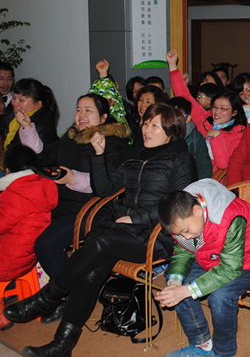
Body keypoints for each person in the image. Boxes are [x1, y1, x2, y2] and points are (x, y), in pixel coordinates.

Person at [3, 103, 197, 356]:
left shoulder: (180, 158)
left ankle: (48, 296)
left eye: (154, 126)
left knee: (101, 240)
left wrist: (136, 217)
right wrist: (98, 155)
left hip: (157, 234)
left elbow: (179, 204)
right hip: (123, 230)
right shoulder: (135, 153)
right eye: (145, 123)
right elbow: (105, 189)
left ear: (171, 132)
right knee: (92, 270)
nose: (146, 129)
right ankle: (62, 344)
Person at [19, 94, 130, 324]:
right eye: (78, 109)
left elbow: (107, 185)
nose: (81, 115)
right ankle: (73, 293)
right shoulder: (70, 138)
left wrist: (73, 178)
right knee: (27, 233)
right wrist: (28, 128)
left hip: (91, 209)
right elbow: (42, 157)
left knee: (45, 243)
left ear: (103, 117)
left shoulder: (111, 142)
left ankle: (68, 296)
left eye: (88, 110)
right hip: (61, 205)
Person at [156, 178, 250, 357]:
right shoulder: (183, 217)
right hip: (216, 255)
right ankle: (202, 344)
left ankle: (224, 352)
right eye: (179, 234)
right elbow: (184, 251)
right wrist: (175, 282)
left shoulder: (230, 217)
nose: (185, 236)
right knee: (179, 283)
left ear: (197, 210)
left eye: (185, 231)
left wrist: (186, 291)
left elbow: (229, 268)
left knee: (221, 296)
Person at [0, 145, 58, 330]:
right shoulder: (45, 184)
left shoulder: (14, 193)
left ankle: (2, 316)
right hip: (33, 254)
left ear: (7, 170)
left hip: (11, 260)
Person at [168, 49, 247, 171]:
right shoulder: (205, 119)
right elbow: (184, 96)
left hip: (216, 178)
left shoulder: (238, 134)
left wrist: (216, 137)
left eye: (223, 108)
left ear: (234, 112)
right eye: (215, 107)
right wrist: (172, 65)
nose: (217, 112)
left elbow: (223, 165)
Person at [4, 79, 58, 151]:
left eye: (21, 100)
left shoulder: (43, 125)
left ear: (37, 104)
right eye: (14, 97)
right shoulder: (16, 114)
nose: (14, 103)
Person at [167, 96, 213, 180]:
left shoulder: (195, 137)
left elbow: (204, 165)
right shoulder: (158, 134)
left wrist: (200, 184)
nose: (173, 119)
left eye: (178, 115)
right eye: (169, 115)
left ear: (188, 118)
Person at [0, 61, 16, 139]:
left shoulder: (18, 103)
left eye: (9, 79)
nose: (6, 83)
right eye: (1, 79)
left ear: (13, 80)